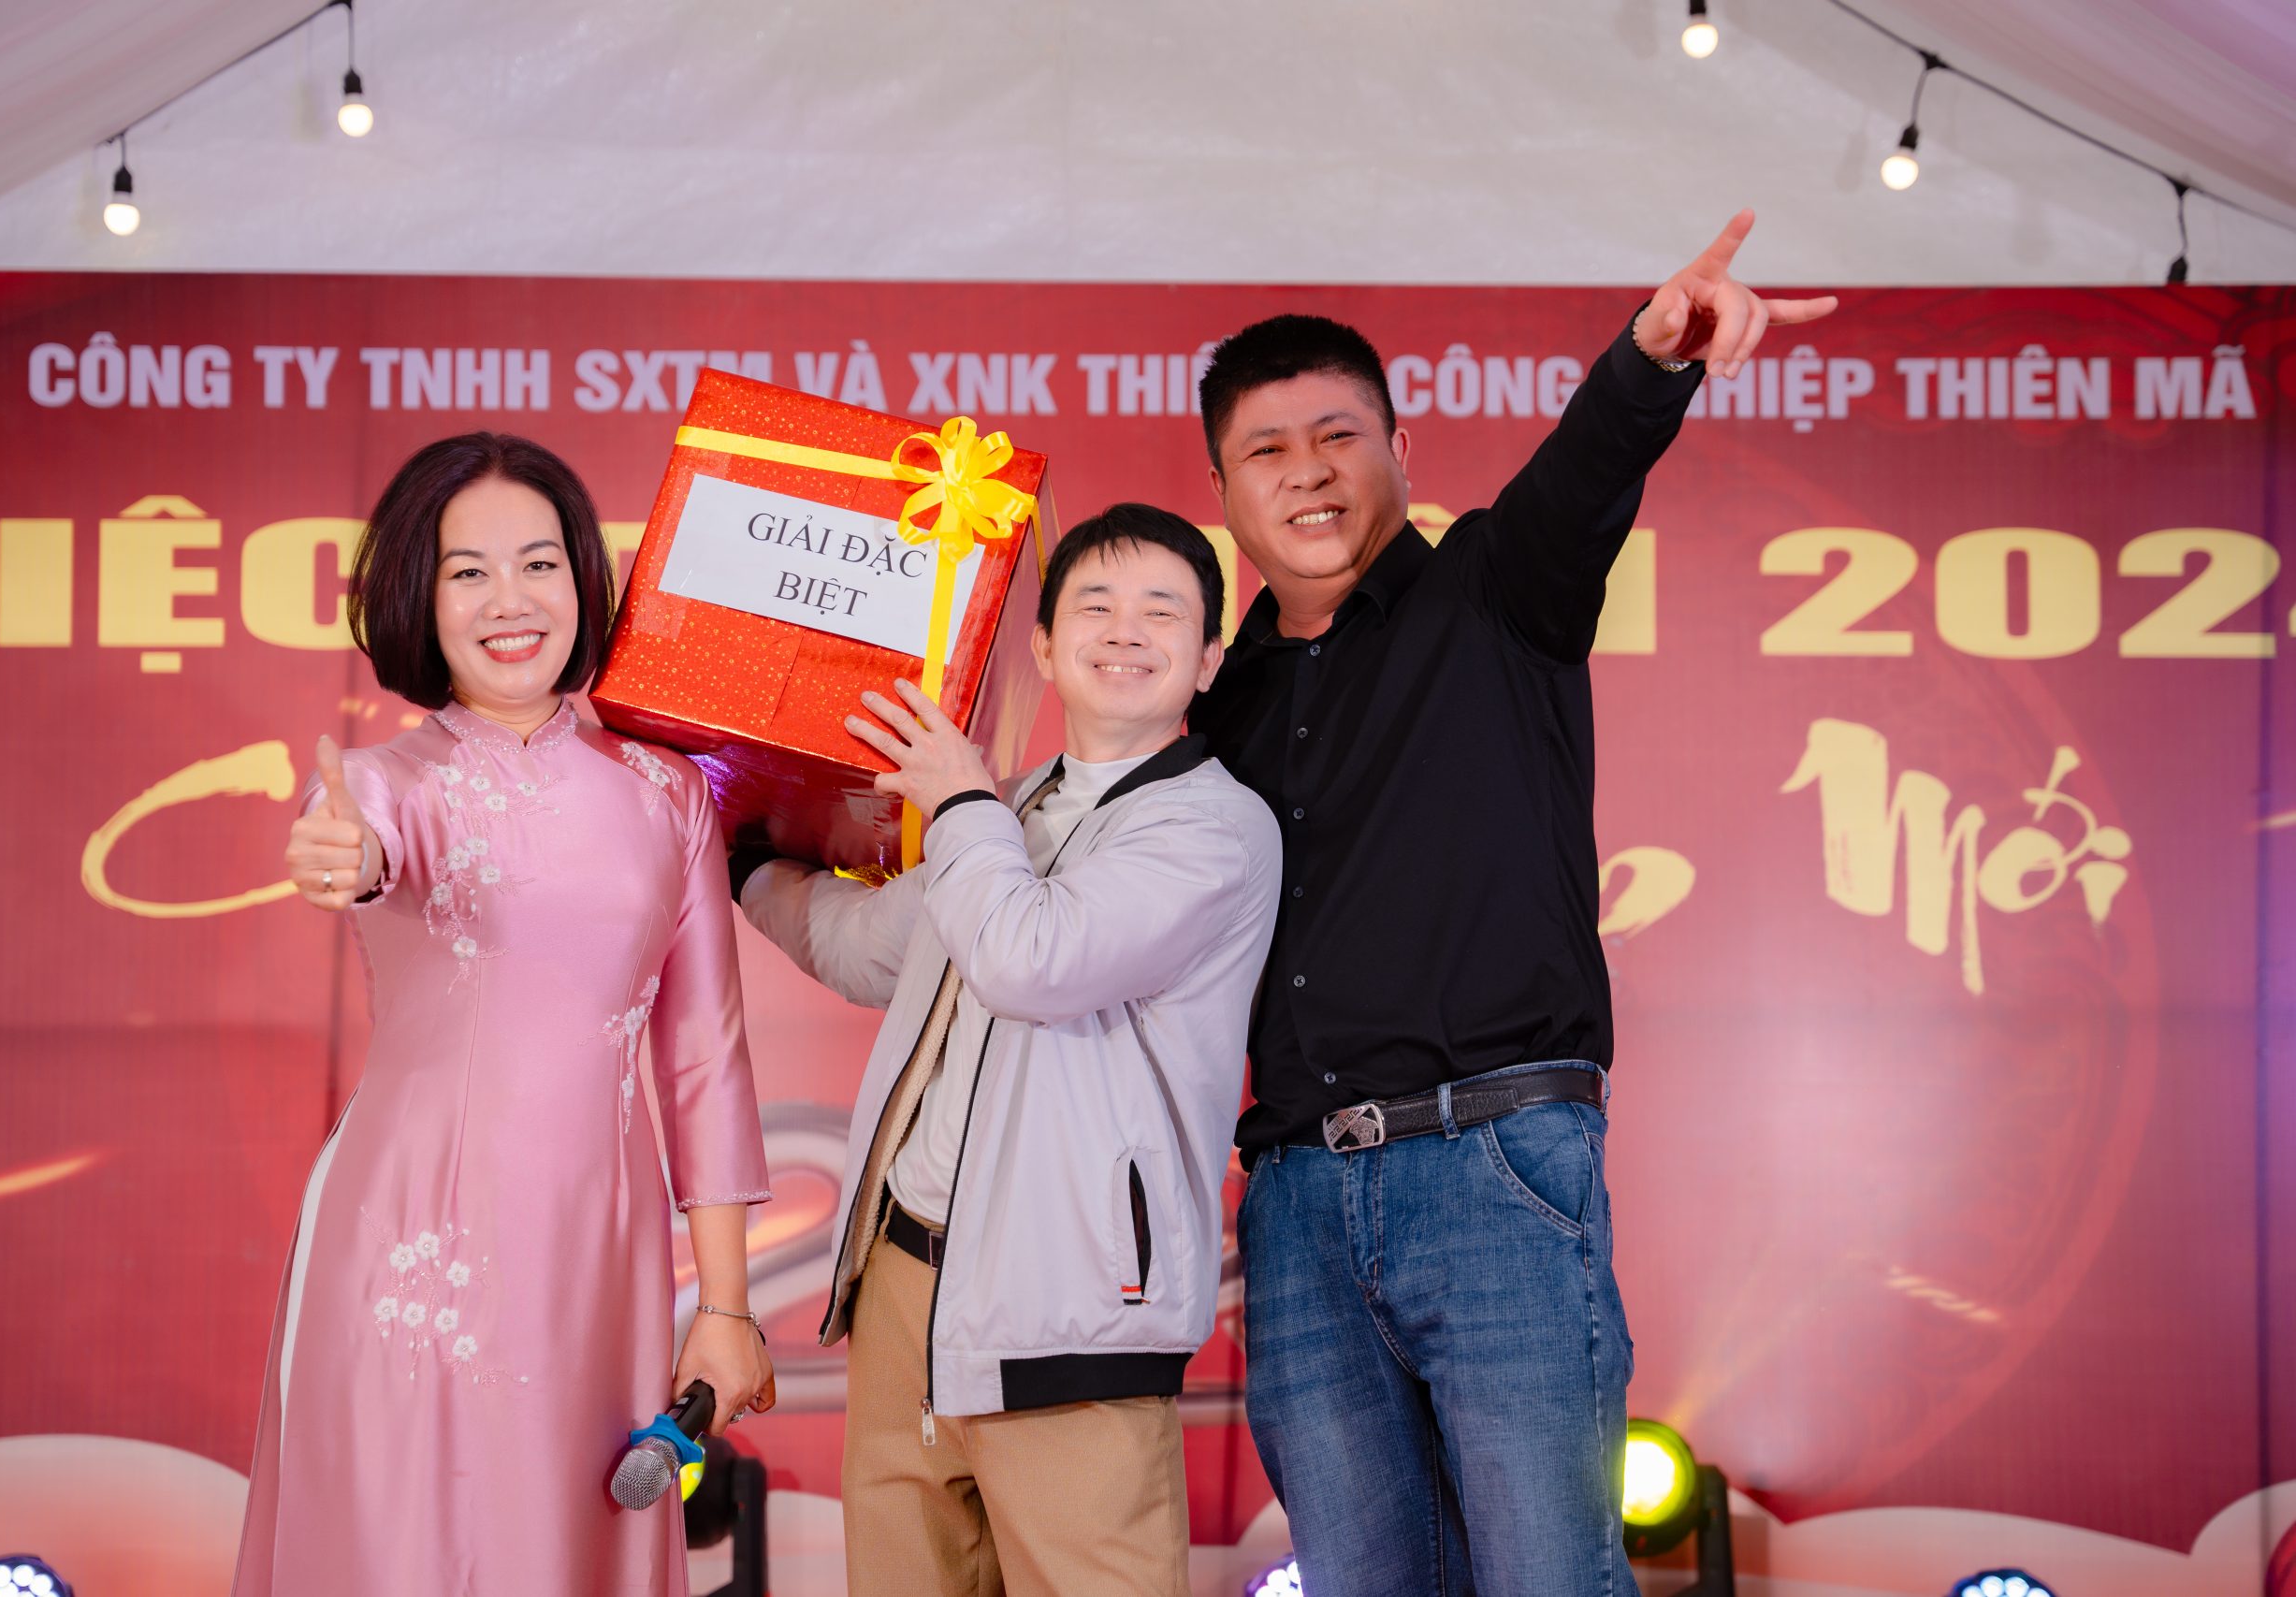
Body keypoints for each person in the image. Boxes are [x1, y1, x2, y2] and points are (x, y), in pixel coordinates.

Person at [1187, 214, 1837, 1595]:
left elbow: (1585, 472)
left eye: (1338, 436)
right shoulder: (1215, 704)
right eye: (1267, 450)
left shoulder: (1497, 587)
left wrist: (1652, 358)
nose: (1308, 471)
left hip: (1492, 1168)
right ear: (1224, 491)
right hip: (1295, 1203)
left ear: (1400, 448)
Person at [233, 432, 775, 1595]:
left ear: (584, 576)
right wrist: (343, 858)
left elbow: (704, 1061)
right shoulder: (381, 785)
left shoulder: (667, 793)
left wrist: (726, 1308)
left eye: (538, 564)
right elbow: (358, 850)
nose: (509, 601)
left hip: (599, 1264)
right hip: (406, 1242)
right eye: (466, 572)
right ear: (418, 600)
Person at [735, 504, 1281, 1597]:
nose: (1124, 631)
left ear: (1207, 659)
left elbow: (1033, 958)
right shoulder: (1011, 809)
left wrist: (959, 800)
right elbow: (871, 948)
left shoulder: (1216, 828)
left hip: (1070, 1311)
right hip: (908, 1282)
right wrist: (737, 856)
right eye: (1095, 605)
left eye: (1161, 611)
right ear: (1040, 645)